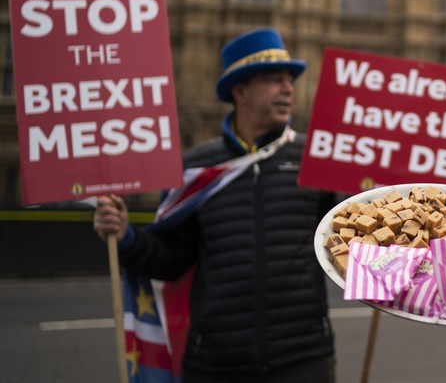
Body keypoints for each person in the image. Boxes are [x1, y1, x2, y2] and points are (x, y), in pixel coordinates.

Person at [93, 28, 337, 382]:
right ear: (240, 91)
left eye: (290, 81)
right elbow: (173, 259)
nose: (288, 89)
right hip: (215, 362)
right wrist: (126, 236)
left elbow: (351, 238)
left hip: (302, 358)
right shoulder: (196, 167)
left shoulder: (315, 157)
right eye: (274, 80)